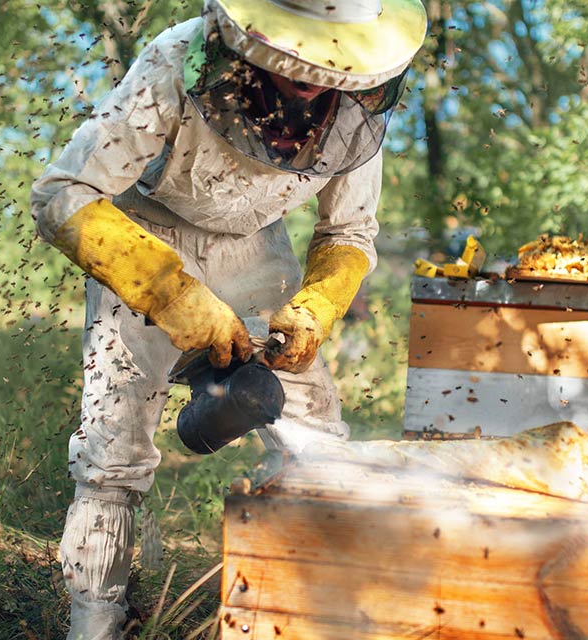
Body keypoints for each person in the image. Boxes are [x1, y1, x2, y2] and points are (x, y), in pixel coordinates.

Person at [30, 0, 426, 638]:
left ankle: (322, 612)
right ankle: (95, 619)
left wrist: (319, 303)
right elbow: (62, 196)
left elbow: (350, 229)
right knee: (115, 446)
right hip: (142, 234)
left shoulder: (358, 100)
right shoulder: (176, 60)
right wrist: (167, 292)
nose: (316, 73)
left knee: (313, 437)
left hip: (255, 248)